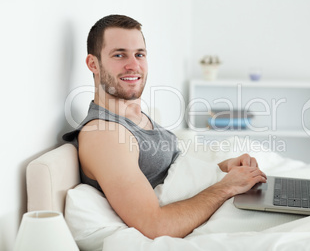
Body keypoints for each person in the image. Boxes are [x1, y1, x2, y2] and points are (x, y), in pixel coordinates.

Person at [63, 14, 267, 239]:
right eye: (119, 55)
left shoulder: (137, 117)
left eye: (139, 54)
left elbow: (168, 176)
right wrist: (227, 187)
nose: (134, 65)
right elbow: (155, 226)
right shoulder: (105, 134)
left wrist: (222, 169)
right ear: (93, 64)